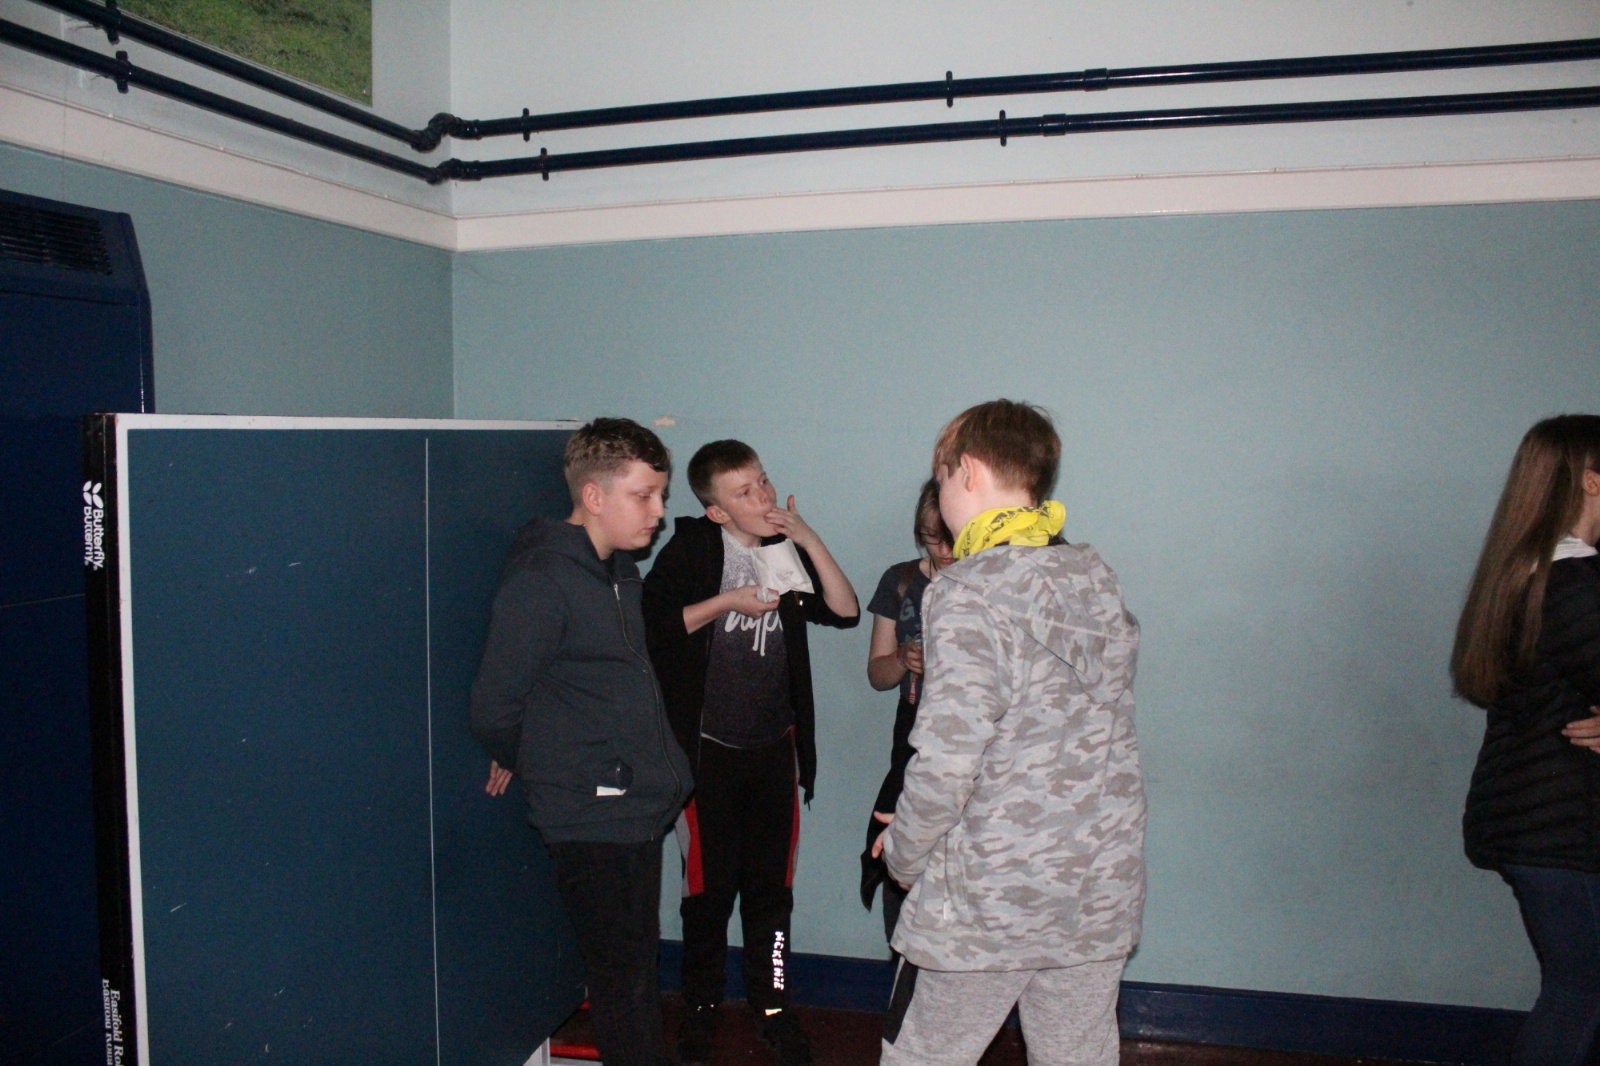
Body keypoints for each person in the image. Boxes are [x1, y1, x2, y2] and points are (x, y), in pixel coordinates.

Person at [873, 400, 1144, 1066]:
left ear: (966, 472)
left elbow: (947, 761)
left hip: (987, 896)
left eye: (941, 480)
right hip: (1095, 887)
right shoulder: (1094, 578)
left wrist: (903, 854)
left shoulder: (965, 592)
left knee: (923, 1056)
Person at [470, 417, 692, 1066]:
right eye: (643, 496)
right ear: (593, 496)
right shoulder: (542, 580)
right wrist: (531, 758)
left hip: (636, 803)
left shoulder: (619, 570)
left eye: (660, 494)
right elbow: (495, 704)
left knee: (636, 973)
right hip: (593, 812)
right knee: (623, 987)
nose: (658, 511)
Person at [643, 439, 860, 1066]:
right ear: (717, 511)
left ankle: (774, 1008)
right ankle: (701, 1009)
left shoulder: (782, 550)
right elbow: (656, 626)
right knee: (707, 896)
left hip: (773, 753)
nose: (763, 496)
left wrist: (808, 537)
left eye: (763, 481)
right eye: (745, 492)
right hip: (707, 757)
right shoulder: (693, 549)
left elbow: (845, 610)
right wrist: (728, 603)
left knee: (771, 893)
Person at [1453, 414, 1600, 1066]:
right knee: (1580, 995)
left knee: (1578, 992)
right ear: (1592, 481)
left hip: (1535, 816)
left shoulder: (1528, 570)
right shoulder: (1576, 584)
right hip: (1564, 822)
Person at [861, 480, 954, 947]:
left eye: (952, 539)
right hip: (913, 731)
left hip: (967, 736)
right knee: (898, 849)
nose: (944, 551)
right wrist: (903, 658)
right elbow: (877, 675)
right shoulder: (900, 581)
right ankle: (902, 962)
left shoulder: (990, 583)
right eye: (933, 539)